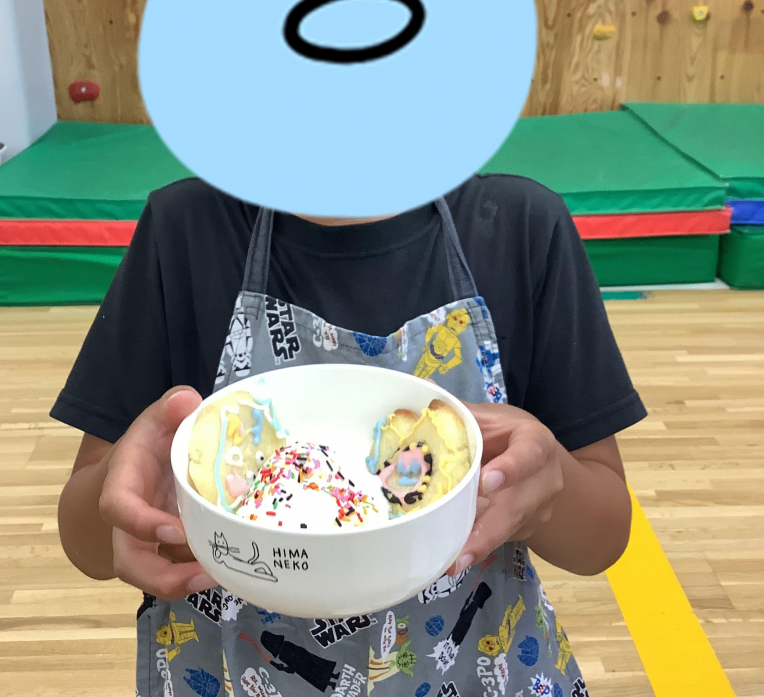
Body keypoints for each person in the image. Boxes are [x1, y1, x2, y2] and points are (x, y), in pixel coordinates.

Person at [53, 173, 645, 696]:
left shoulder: (520, 229)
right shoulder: (184, 232)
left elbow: (603, 537)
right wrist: (132, 503)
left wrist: (548, 481)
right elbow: (85, 541)